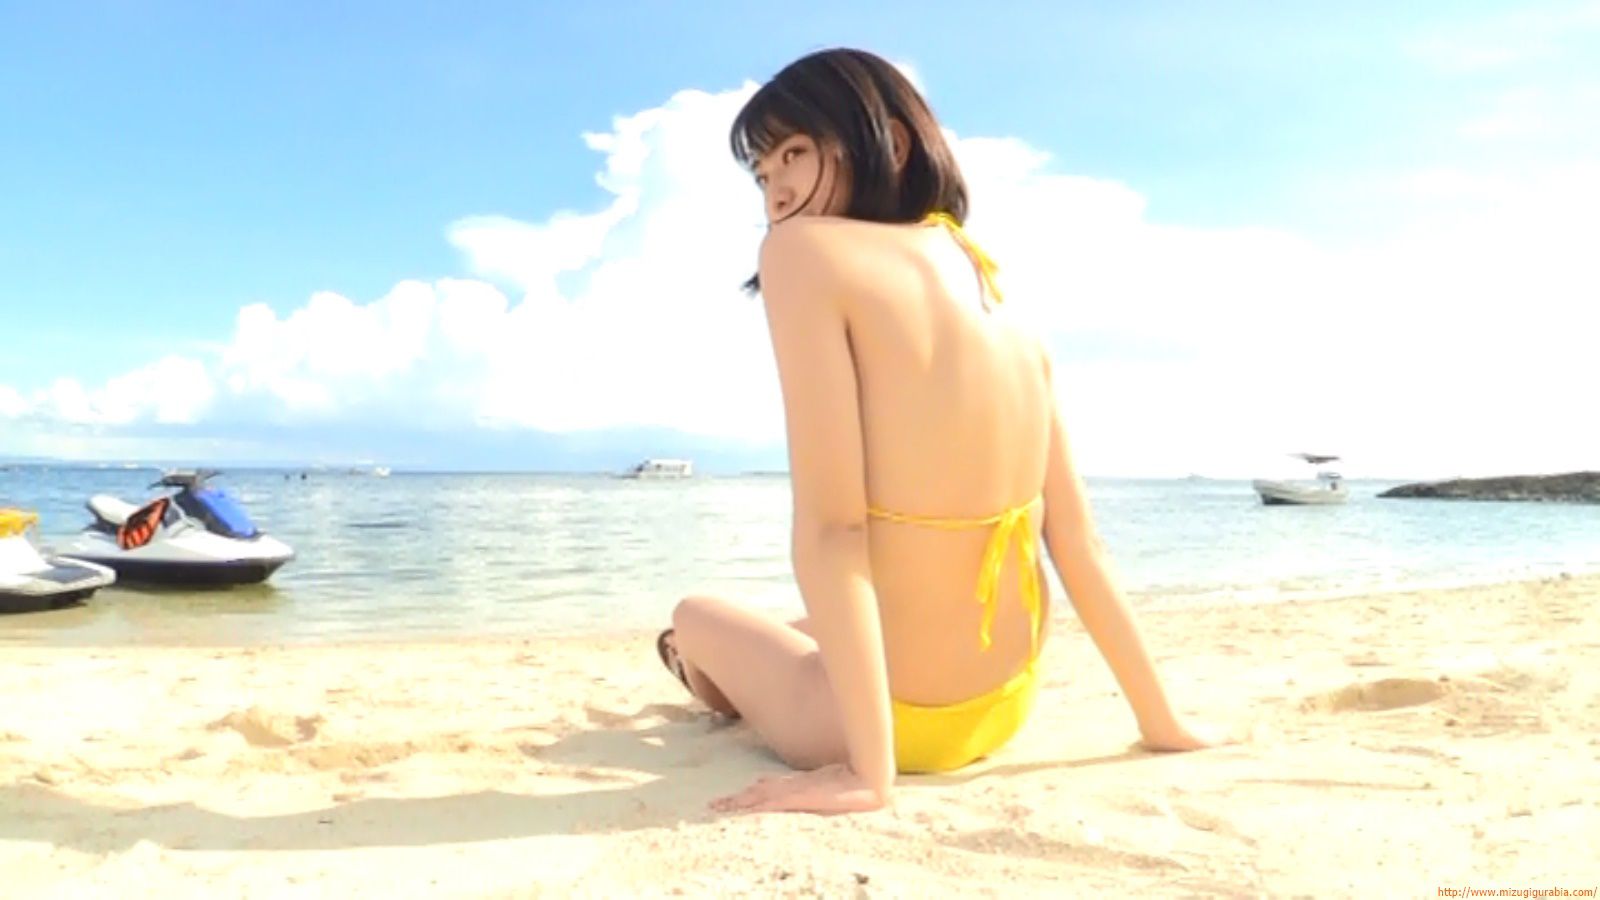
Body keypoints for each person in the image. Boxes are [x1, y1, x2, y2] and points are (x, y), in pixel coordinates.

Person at [656, 48, 1221, 816]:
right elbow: (1077, 542)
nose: (775, 189)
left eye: (794, 153)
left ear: (888, 142)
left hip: (894, 724)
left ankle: (695, 668)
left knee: (692, 619)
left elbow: (832, 529)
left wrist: (868, 775)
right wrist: (1162, 723)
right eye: (760, 174)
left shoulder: (801, 252)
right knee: (807, 625)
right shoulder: (997, 285)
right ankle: (767, 661)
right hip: (1006, 702)